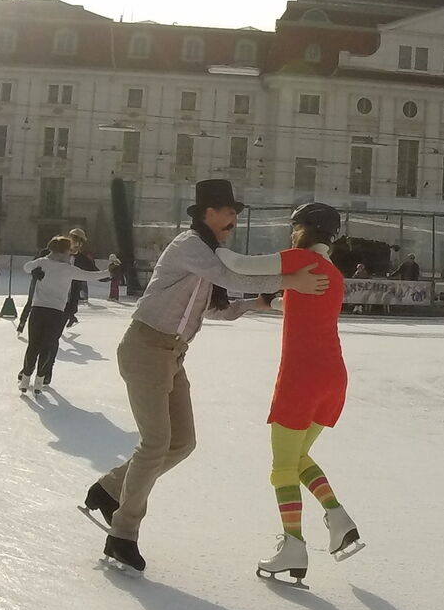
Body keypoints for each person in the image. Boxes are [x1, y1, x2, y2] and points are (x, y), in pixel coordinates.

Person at [82, 179, 330, 573]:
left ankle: (110, 488)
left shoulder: (211, 254)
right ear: (207, 213)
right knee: (155, 443)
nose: (234, 219)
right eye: (228, 212)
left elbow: (215, 308)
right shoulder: (190, 246)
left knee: (182, 442)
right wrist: (289, 280)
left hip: (172, 355)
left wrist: (256, 304)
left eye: (235, 213)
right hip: (145, 348)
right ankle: (122, 535)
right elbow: (232, 277)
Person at [214, 202, 362, 584]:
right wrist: (271, 301)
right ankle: (338, 518)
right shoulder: (333, 273)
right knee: (297, 458)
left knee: (282, 468)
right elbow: (302, 307)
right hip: (333, 378)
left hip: (301, 379)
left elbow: (240, 265)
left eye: (294, 227)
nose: (291, 233)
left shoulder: (299, 259)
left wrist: (208, 245)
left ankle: (294, 545)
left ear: (305, 230)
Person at [17, 236, 111, 394]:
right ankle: (38, 381)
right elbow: (90, 275)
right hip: (56, 313)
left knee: (34, 345)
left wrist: (34, 270)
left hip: (38, 310)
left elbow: (26, 267)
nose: (70, 253)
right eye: (68, 250)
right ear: (62, 251)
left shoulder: (42, 262)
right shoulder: (68, 269)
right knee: (46, 346)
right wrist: (110, 272)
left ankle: (26, 380)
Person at [63, 227, 97, 328]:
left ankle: (71, 318)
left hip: (71, 296)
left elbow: (95, 272)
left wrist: (111, 273)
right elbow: (40, 260)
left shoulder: (83, 259)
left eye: (79, 243)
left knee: (66, 314)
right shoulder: (57, 254)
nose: (76, 245)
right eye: (74, 241)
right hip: (54, 297)